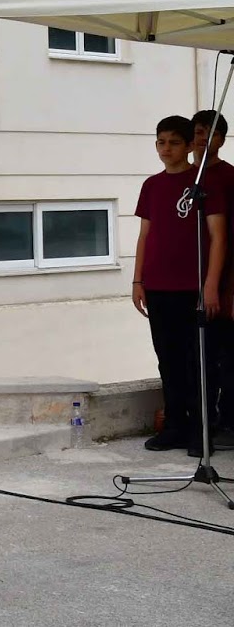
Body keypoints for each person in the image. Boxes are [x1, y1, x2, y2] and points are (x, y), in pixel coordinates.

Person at [135, 115, 225, 453]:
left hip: (193, 287)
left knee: (198, 361)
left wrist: (210, 284)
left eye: (174, 142)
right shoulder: (151, 185)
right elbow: (145, 235)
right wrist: (138, 279)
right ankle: (174, 425)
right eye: (161, 142)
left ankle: (201, 430)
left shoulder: (203, 183)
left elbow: (218, 237)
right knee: (167, 358)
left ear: (189, 145)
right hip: (158, 285)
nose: (166, 149)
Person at [190, 109, 234, 450]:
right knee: (195, 357)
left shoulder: (229, 177)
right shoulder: (184, 177)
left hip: (224, 283)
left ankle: (228, 421)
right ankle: (197, 423)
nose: (204, 140)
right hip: (185, 283)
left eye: (212, 133)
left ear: (222, 139)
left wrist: (223, 286)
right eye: (198, 133)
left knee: (227, 357)